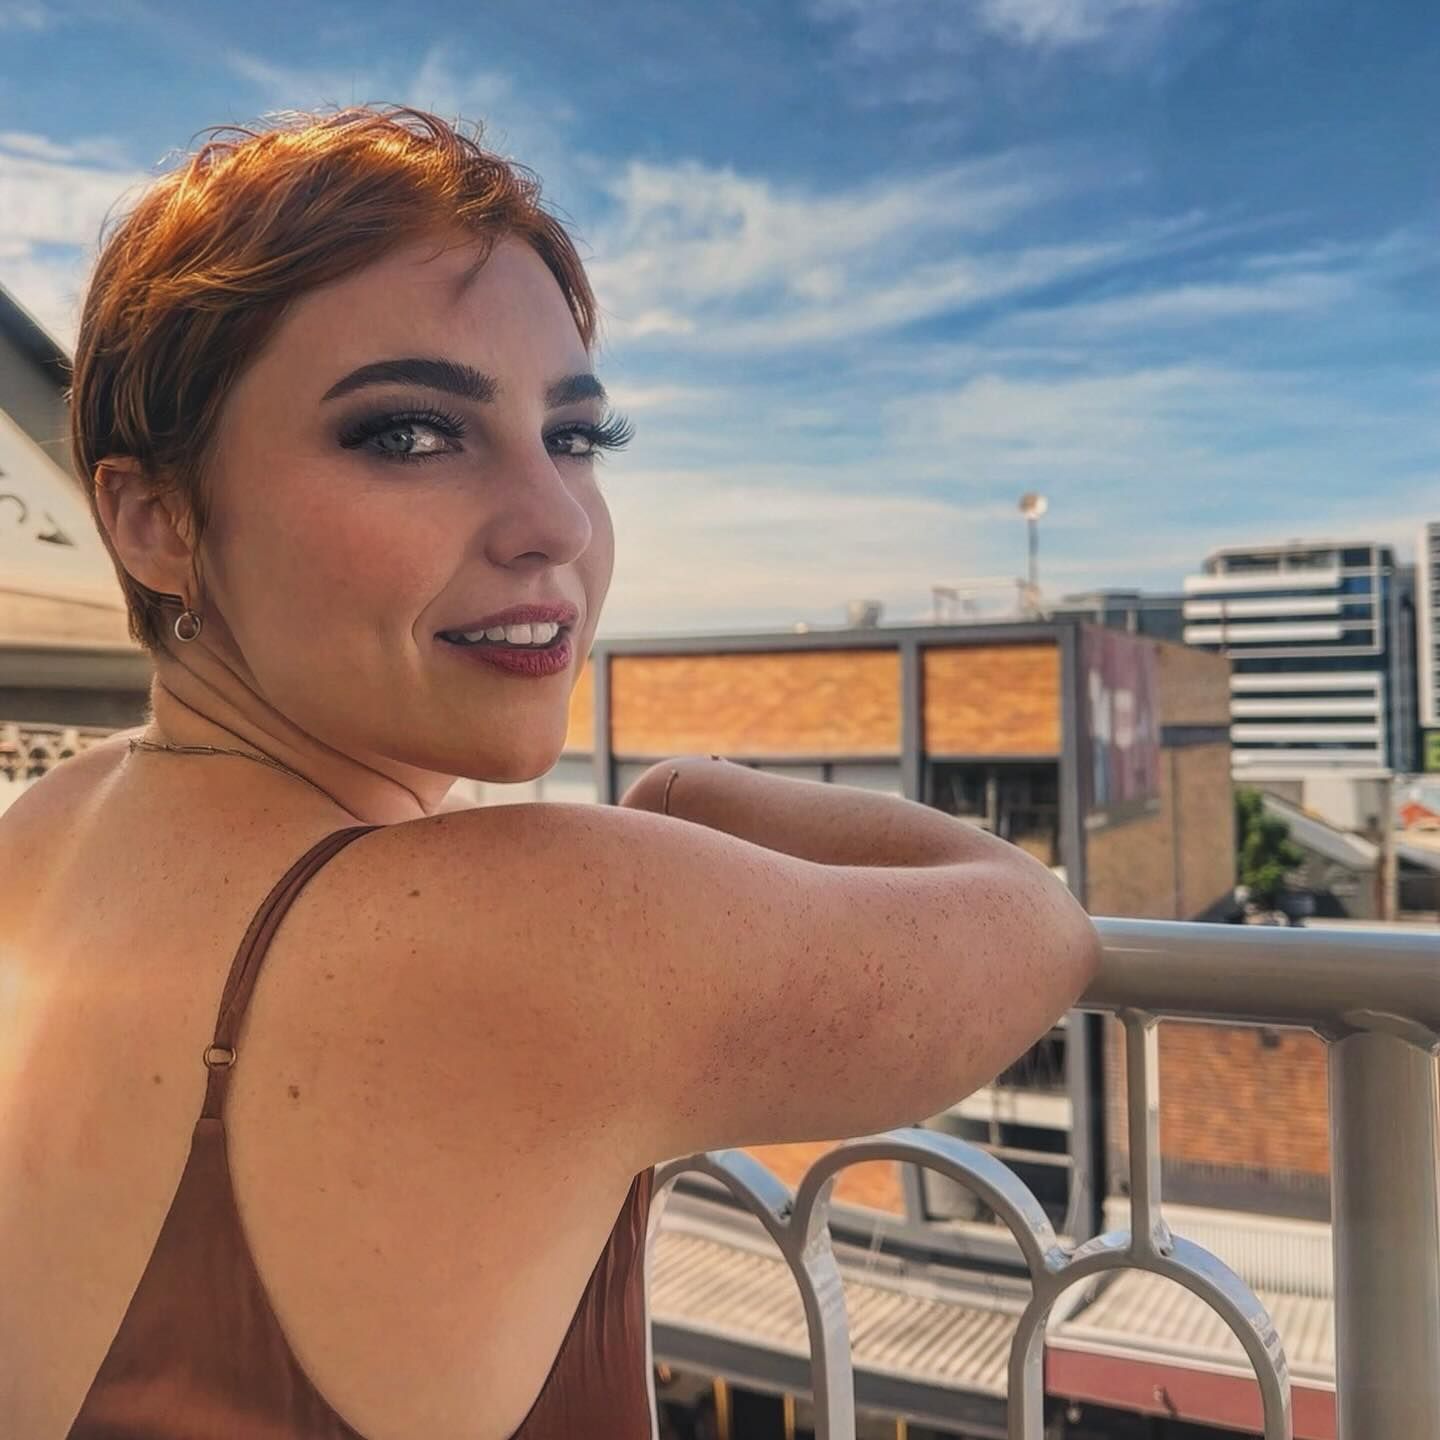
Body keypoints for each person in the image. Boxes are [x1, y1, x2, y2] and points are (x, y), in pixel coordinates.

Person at [0, 105, 1101, 1439]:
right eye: (410, 434)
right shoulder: (538, 920)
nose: (556, 522)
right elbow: (1035, 924)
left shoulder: (40, 837)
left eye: (577, 438)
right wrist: (696, 800)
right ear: (154, 519)